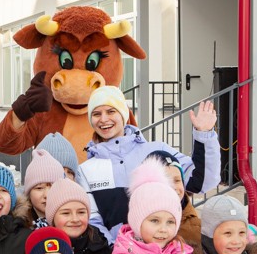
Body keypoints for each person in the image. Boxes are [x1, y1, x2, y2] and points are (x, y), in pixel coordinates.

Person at [79, 86, 219, 243]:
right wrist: (116, 249)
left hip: (164, 252)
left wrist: (204, 135)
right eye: (96, 114)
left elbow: (200, 182)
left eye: (111, 111)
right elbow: (93, 220)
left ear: (123, 114)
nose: (103, 119)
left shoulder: (157, 151)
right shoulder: (86, 170)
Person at [21, 149, 66, 228]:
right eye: (39, 188)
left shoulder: (74, 223)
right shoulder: (18, 227)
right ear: (28, 193)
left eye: (53, 187)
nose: (47, 195)